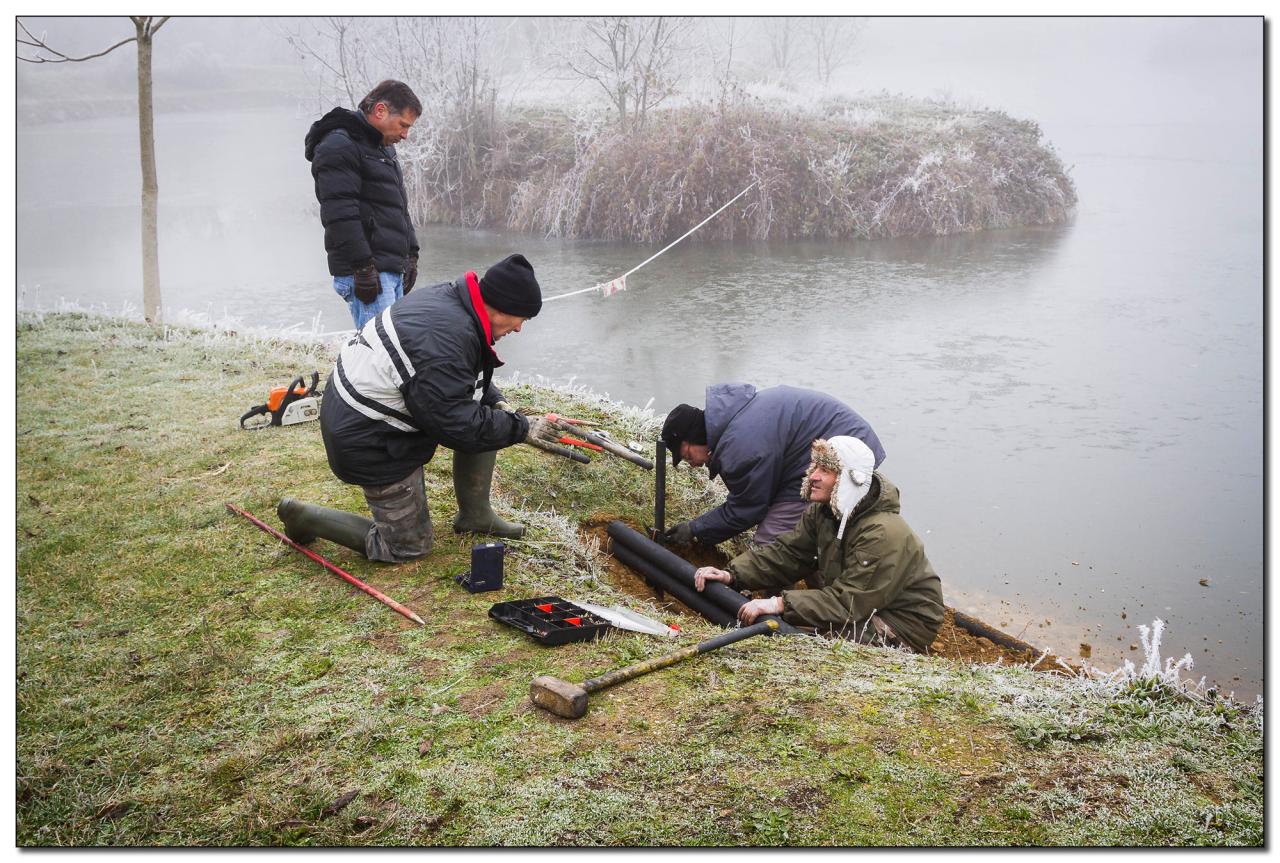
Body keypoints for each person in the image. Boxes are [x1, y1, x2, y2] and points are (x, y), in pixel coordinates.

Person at [277, 254, 558, 562]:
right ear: (503, 307)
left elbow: (458, 381)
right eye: (522, 319)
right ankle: (305, 517)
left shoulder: (457, 304)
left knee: (485, 416)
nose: (519, 329)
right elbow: (458, 424)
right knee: (408, 547)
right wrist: (522, 427)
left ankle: (475, 516)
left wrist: (498, 403)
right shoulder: (447, 338)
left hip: (365, 410)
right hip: (367, 439)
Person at [692, 436, 944, 654]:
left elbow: (848, 603)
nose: (813, 476)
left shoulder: (881, 533)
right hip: (861, 605)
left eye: (825, 470)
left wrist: (779, 604)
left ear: (850, 479)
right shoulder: (824, 513)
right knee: (794, 636)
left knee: (814, 650)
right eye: (815, 467)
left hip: (901, 622)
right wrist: (732, 574)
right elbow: (788, 554)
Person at [660, 383, 885, 547]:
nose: (692, 464)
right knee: (802, 532)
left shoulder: (740, 445)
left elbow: (747, 509)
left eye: (687, 455)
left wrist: (694, 529)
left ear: (694, 437)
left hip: (846, 452)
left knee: (770, 540)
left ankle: (772, 607)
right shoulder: (733, 421)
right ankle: (812, 590)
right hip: (818, 453)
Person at [305, 79, 423, 330]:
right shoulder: (339, 145)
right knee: (378, 357)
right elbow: (339, 214)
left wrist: (411, 254)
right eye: (403, 125)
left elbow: (398, 207)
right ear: (380, 111)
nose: (405, 135)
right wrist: (362, 268)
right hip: (368, 276)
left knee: (392, 354)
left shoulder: (383, 150)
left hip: (389, 271)